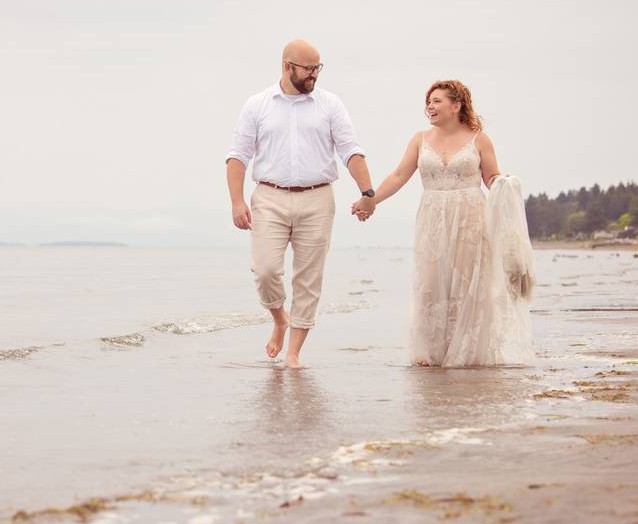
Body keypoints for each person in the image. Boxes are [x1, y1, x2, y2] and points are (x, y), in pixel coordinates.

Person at [359, 80, 533, 366]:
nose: (430, 106)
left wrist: (503, 183)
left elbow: (491, 178)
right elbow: (399, 176)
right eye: (428, 101)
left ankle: (467, 350)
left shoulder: (479, 139)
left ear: (457, 105)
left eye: (437, 101)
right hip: (432, 218)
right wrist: (371, 200)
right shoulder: (419, 140)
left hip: (470, 217)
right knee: (431, 283)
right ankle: (430, 351)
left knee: (467, 285)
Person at [226, 39, 376, 368]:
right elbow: (238, 156)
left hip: (318, 198)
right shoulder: (257, 104)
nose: (314, 75)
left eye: (317, 68)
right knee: (265, 271)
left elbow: (351, 150)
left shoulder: (331, 105)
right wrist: (237, 202)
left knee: (308, 278)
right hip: (269, 196)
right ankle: (280, 317)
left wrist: (367, 192)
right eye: (308, 69)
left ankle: (293, 352)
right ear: (287, 66)